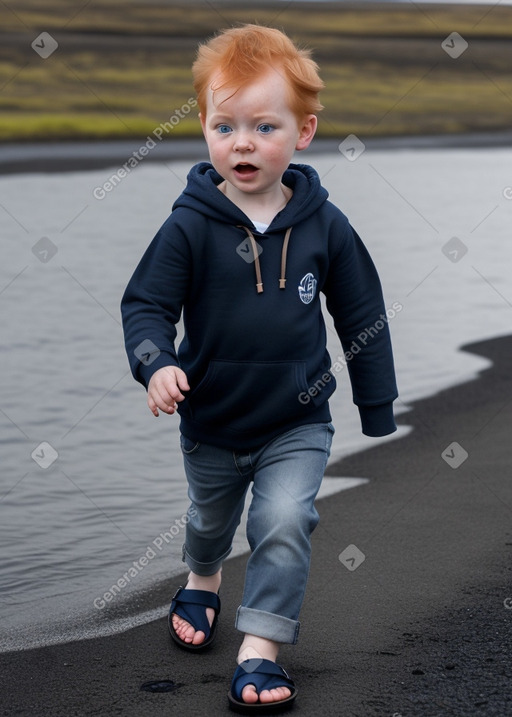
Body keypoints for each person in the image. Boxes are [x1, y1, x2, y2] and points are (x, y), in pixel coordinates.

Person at [121, 23, 398, 713]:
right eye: (225, 125)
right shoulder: (188, 224)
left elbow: (361, 309)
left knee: (283, 517)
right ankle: (204, 578)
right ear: (206, 130)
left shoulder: (323, 224)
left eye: (263, 126)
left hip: (296, 420)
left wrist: (376, 402)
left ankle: (260, 648)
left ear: (302, 133)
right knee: (211, 522)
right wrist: (156, 364)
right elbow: (147, 304)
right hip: (212, 418)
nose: (242, 142)